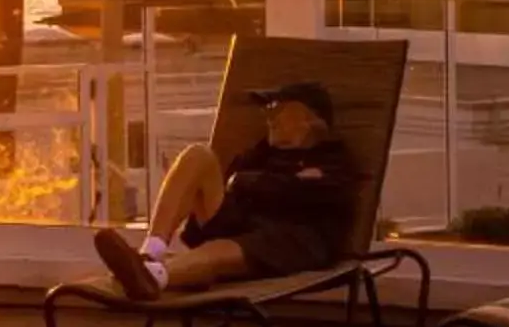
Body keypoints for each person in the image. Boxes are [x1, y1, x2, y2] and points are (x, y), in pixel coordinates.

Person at [92, 81, 359, 300]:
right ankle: (150, 252)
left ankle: (154, 277)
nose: (270, 118)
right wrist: (278, 182)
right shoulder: (262, 152)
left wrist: (261, 184)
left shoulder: (333, 159)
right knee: (198, 155)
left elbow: (315, 198)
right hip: (243, 221)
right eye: (267, 109)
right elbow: (238, 180)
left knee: (217, 250)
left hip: (288, 240)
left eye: (279, 109)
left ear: (308, 119)